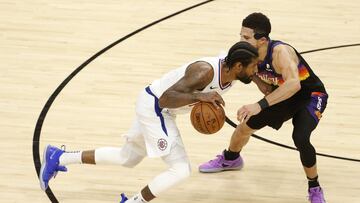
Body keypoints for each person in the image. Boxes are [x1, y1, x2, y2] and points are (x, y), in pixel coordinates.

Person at [39, 41, 259, 203]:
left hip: (155, 105)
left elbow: (239, 56)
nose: (255, 70)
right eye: (253, 67)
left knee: (127, 158)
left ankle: (59, 156)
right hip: (156, 107)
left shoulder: (230, 73)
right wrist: (200, 97)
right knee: (181, 169)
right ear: (238, 66)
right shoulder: (205, 72)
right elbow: (166, 98)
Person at [199, 13, 328, 203]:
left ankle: (314, 187)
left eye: (246, 37)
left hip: (309, 95)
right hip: (282, 94)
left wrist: (259, 105)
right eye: (240, 36)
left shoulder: (280, 53)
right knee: (244, 127)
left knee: (300, 137)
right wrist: (258, 82)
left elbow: (294, 84)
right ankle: (231, 158)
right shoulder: (249, 54)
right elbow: (241, 71)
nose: (241, 40)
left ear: (262, 40)